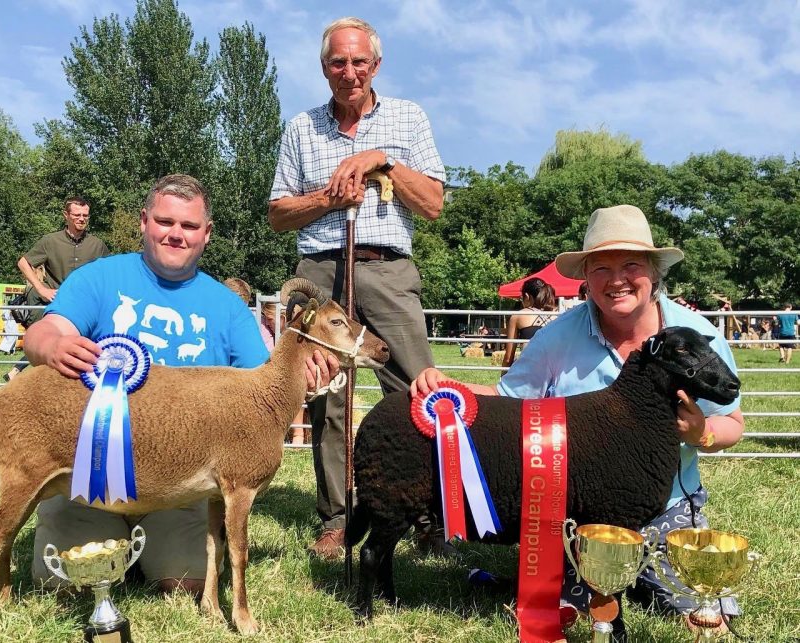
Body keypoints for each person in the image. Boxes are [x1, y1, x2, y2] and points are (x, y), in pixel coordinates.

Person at [412, 205, 744, 633]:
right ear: (585, 278)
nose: (617, 279)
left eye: (631, 264)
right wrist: (447, 389)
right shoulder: (557, 335)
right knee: (563, 608)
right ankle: (600, 581)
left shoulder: (696, 335)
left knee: (707, 614)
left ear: (654, 273)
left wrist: (701, 432)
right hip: (577, 514)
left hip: (666, 507)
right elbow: (508, 398)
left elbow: (732, 423)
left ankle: (642, 574)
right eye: (601, 268)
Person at [24, 174, 336, 596]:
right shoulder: (98, 278)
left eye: (189, 226)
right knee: (64, 582)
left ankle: (150, 549)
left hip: (177, 482)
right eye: (164, 222)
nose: (176, 234)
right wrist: (53, 346)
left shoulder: (227, 306)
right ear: (143, 222)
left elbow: (267, 384)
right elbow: (41, 335)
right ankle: (105, 541)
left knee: (185, 583)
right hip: (91, 477)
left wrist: (307, 370)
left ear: (206, 234)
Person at [268, 16, 446, 559]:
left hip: (388, 269)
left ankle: (430, 514)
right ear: (324, 68)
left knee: (420, 391)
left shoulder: (407, 119)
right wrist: (328, 198)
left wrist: (382, 161)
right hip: (322, 271)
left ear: (376, 64)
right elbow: (278, 214)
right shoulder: (302, 128)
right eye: (337, 63)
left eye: (359, 61)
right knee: (329, 395)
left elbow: (434, 204)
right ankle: (337, 517)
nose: (349, 72)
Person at [5, 197, 109, 381]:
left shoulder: (97, 245)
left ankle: (17, 371)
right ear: (66, 215)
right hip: (57, 309)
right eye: (77, 215)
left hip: (87, 308)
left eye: (85, 215)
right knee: (52, 352)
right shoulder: (50, 241)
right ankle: (24, 376)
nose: (82, 219)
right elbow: (23, 263)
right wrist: (41, 288)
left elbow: (109, 273)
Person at [501, 277, 556, 368]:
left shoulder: (518, 316)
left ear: (526, 296)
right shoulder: (557, 315)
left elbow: (508, 358)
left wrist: (503, 377)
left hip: (529, 372)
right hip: (554, 374)